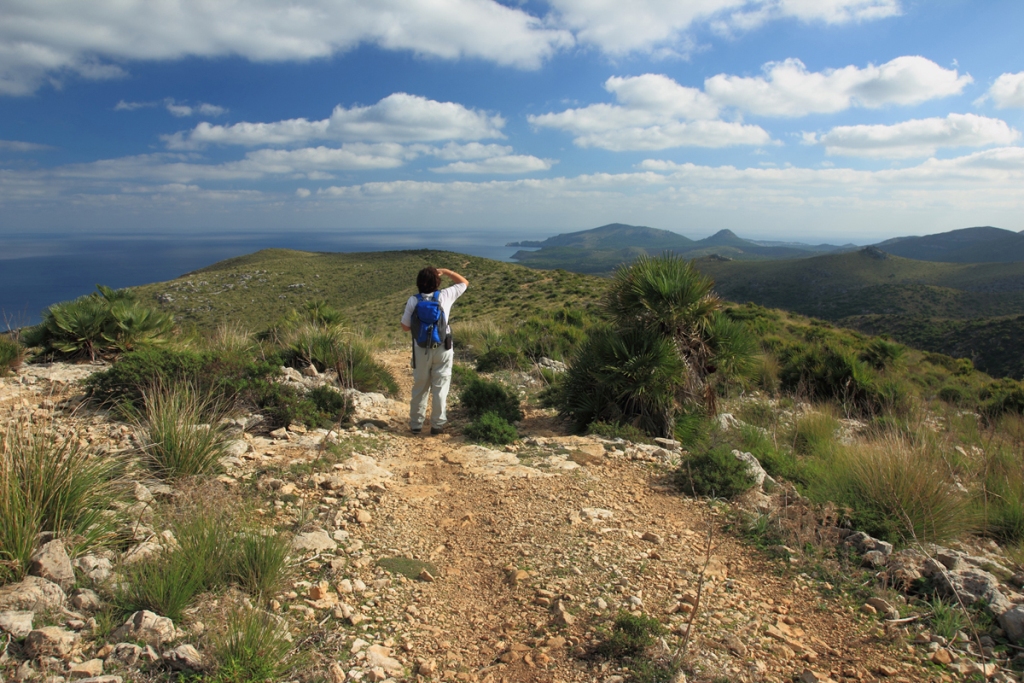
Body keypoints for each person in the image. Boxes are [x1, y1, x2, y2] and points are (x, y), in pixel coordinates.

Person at [400, 266, 468, 435]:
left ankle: (416, 424)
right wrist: (446, 271)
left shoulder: (413, 301)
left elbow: (405, 327)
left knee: (420, 385)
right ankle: (437, 424)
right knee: (440, 385)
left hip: (421, 348)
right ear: (437, 282)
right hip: (443, 347)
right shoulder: (445, 296)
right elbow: (464, 282)